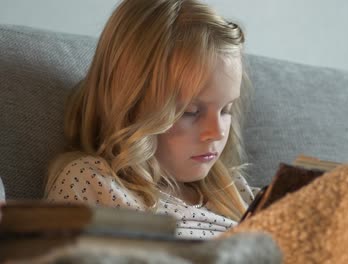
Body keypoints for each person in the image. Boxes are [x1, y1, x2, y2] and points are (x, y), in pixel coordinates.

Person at [44, 0, 259, 240]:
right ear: (131, 106)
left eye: (226, 110)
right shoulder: (91, 182)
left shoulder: (234, 191)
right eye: (190, 112)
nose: (217, 132)